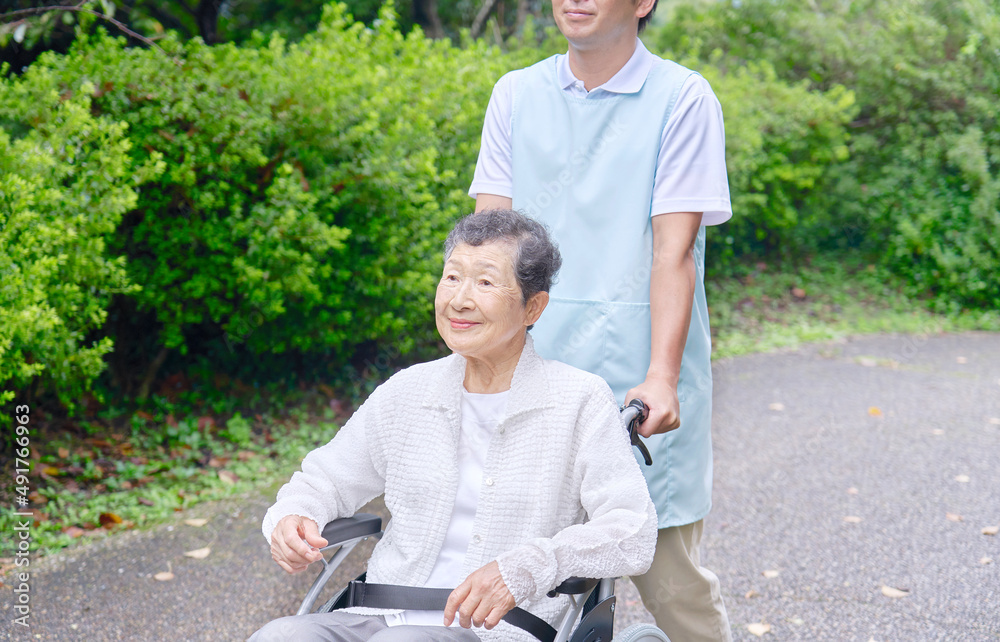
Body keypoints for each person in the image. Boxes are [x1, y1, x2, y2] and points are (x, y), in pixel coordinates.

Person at [249, 209, 657, 642]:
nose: (459, 299)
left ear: (532, 306)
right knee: (280, 635)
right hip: (377, 616)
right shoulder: (408, 391)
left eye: (485, 282)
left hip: (499, 629)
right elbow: (324, 478)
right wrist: (295, 515)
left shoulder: (578, 400)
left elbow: (632, 529)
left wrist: (529, 566)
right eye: (451, 278)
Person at [469, 1, 734, 640]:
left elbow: (673, 252)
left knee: (672, 586)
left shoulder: (682, 98)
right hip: (532, 385)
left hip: (637, 390)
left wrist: (662, 377)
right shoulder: (516, 95)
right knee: (510, 589)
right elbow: (489, 247)